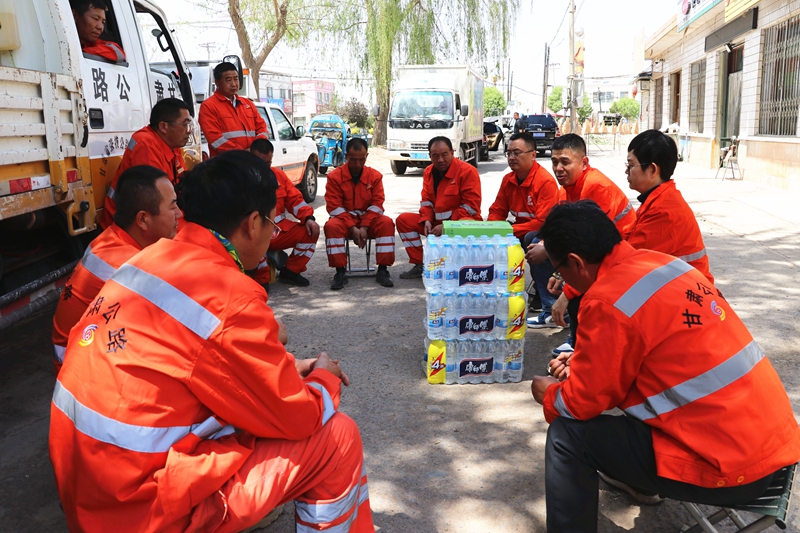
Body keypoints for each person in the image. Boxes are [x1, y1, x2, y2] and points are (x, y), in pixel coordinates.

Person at [49, 151, 375, 533]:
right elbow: (298, 417)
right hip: (142, 512)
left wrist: (286, 368)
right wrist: (323, 378)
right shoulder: (229, 296)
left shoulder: (145, 259)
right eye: (272, 223)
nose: (272, 233)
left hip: (88, 491)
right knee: (337, 437)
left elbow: (192, 364)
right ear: (252, 224)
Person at [531, 200, 800, 533]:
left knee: (566, 436)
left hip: (733, 468)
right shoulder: (665, 264)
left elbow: (582, 403)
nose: (561, 277)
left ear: (575, 262)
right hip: (773, 442)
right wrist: (589, 358)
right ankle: (641, 482)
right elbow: (664, 349)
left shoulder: (605, 299)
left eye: (559, 270)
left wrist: (548, 394)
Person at [52, 166, 181, 374]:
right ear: (143, 220)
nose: (179, 214)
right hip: (85, 370)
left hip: (77, 357)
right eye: (173, 206)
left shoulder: (110, 238)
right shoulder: (130, 268)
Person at [526, 133, 635, 336]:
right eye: (554, 162)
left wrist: (566, 292)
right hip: (593, 249)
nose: (558, 168)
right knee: (534, 241)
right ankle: (551, 310)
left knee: (572, 285)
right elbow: (559, 228)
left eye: (565, 162)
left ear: (584, 163)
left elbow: (591, 249)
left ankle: (576, 338)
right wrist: (544, 246)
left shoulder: (596, 186)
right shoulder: (567, 187)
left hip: (615, 254)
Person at [624, 129, 714, 283]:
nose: (626, 171)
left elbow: (630, 260)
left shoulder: (664, 211)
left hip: (687, 291)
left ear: (652, 169)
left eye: (631, 165)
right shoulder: (658, 199)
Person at [487, 132, 558, 312]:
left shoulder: (545, 182)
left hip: (542, 234)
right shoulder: (508, 180)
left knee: (532, 240)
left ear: (533, 154)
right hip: (519, 230)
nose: (511, 157)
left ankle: (548, 300)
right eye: (509, 153)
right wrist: (492, 230)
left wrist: (507, 231)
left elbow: (542, 223)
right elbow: (497, 210)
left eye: (517, 153)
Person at [395, 136, 482, 279]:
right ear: (429, 156)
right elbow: (426, 201)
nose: (440, 159)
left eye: (444, 154)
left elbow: (471, 207)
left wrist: (447, 226)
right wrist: (426, 220)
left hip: (460, 223)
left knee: (466, 223)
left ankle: (458, 267)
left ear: (452, 153)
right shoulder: (428, 172)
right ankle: (421, 264)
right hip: (436, 224)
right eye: (435, 155)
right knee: (403, 220)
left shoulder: (467, 171)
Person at [99, 98, 192, 229]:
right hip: (128, 224)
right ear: (163, 127)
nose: (189, 130)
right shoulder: (146, 144)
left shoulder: (173, 145)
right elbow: (157, 199)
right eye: (184, 124)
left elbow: (182, 185)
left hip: (155, 215)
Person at [324, 138, 395, 290]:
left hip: (368, 221)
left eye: (361, 160)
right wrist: (352, 227)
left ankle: (383, 270)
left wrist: (364, 226)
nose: (357, 164)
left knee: (387, 223)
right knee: (331, 226)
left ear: (366, 156)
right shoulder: (334, 177)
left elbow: (377, 204)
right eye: (353, 160)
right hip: (344, 221)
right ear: (346, 156)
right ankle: (340, 272)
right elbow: (334, 207)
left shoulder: (375, 176)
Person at [250, 138, 319, 287]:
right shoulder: (240, 180)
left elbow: (295, 200)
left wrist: (308, 218)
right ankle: (261, 280)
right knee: (253, 243)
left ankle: (291, 272)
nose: (264, 168)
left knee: (311, 232)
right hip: (252, 233)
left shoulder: (279, 177)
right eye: (260, 163)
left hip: (277, 231)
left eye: (268, 163)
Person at [198, 62, 269, 158]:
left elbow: (262, 127)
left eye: (236, 79)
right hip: (226, 163)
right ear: (217, 82)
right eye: (228, 80)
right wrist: (242, 153)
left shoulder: (247, 104)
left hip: (251, 160)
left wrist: (257, 148)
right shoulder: (208, 106)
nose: (234, 84)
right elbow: (215, 139)